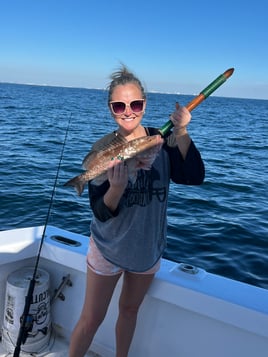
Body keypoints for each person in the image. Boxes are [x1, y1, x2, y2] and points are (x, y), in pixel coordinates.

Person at [69, 65, 205, 357]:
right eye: (120, 105)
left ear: (145, 104)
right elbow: (101, 212)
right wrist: (115, 189)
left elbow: (193, 176)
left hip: (146, 248)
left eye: (136, 104)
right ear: (110, 109)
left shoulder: (162, 140)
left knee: (129, 311)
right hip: (108, 247)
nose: (128, 111)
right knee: (91, 319)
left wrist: (180, 130)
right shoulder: (103, 149)